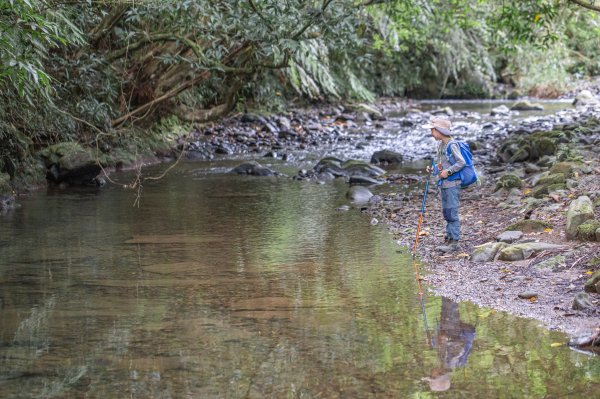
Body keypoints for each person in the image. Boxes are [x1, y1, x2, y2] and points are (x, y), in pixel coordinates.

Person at [422, 116, 466, 253]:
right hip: (445, 184)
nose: (431, 133)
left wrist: (448, 171)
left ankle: (454, 242)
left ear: (440, 131)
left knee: (451, 211)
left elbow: (461, 162)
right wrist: (434, 169)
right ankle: (448, 237)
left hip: (452, 184)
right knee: (446, 211)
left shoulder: (452, 145)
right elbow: (442, 165)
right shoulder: (440, 145)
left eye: (433, 130)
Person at [422, 297, 476, 392]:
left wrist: (433, 341)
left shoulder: (443, 362)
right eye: (432, 376)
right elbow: (458, 343)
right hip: (456, 330)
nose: (430, 373)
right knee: (450, 300)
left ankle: (448, 290)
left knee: (446, 300)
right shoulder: (453, 361)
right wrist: (446, 338)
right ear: (440, 374)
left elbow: (442, 344)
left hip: (449, 326)